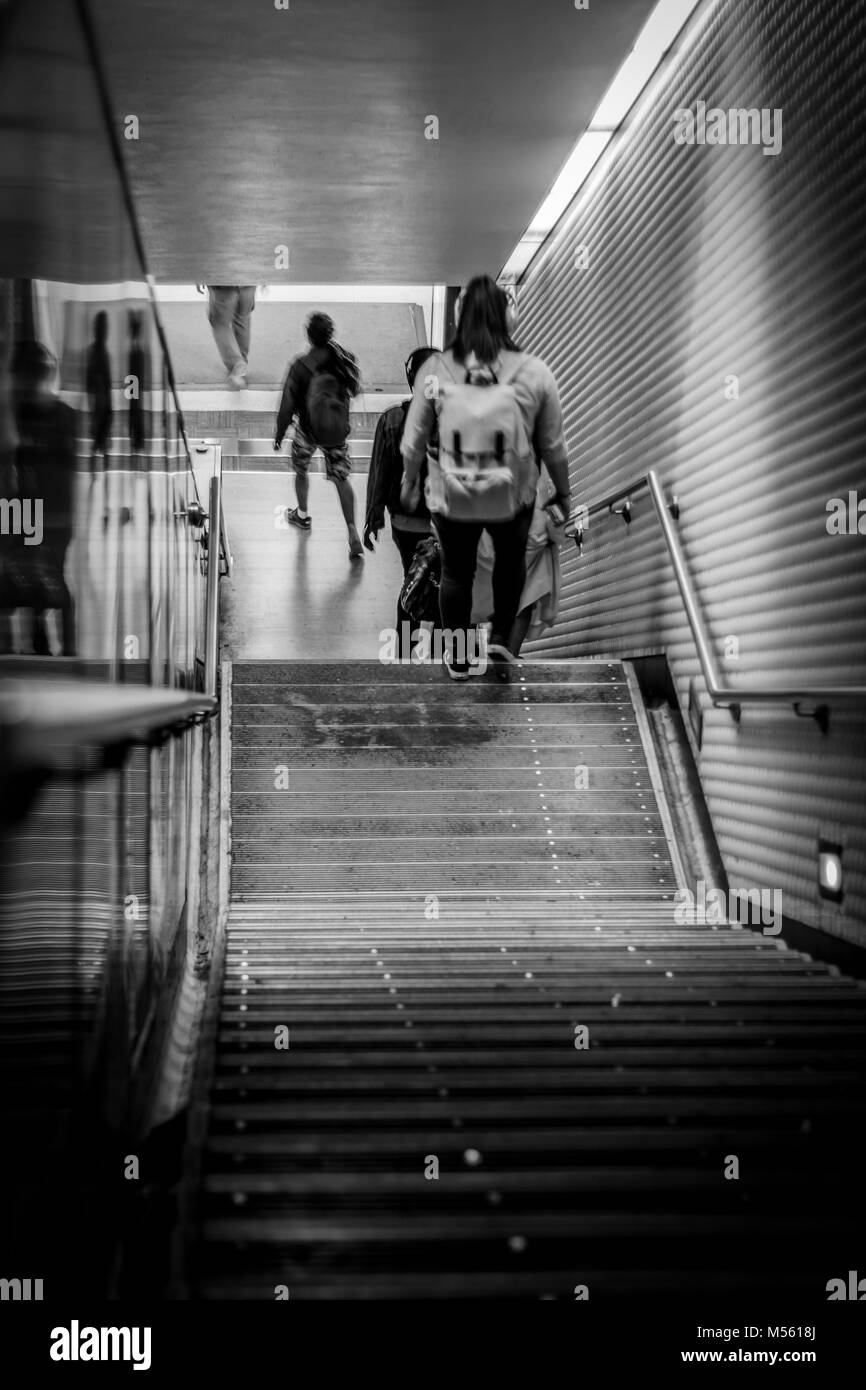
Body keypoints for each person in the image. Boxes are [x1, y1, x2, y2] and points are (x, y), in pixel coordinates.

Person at [400, 274, 572, 680]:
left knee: (456, 574)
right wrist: (563, 493)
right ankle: (498, 641)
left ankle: (458, 661)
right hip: (512, 494)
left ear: (460, 319)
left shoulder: (436, 369)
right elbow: (554, 446)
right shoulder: (534, 372)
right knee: (511, 564)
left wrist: (409, 481)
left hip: (452, 494)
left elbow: (413, 440)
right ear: (507, 318)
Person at [364, 345, 437, 655]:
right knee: (444, 580)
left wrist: (373, 516)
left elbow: (380, 471)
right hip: (444, 525)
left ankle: (406, 648)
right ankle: (446, 651)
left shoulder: (393, 419)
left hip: (405, 524)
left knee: (414, 576)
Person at [273, 312, 364, 559]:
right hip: (335, 433)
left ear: (309, 336)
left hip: (308, 431)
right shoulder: (342, 359)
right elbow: (355, 389)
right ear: (330, 334)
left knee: (301, 470)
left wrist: (280, 433)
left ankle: (302, 515)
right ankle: (352, 530)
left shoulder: (301, 366)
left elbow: (288, 404)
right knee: (341, 478)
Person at [11, 341, 77, 656]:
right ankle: (52, 646)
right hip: (32, 510)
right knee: (33, 576)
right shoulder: (56, 416)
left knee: (51, 575)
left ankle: (63, 648)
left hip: (45, 511)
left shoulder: (58, 417)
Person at [472, 466, 563, 656]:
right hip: (529, 528)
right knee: (525, 595)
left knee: (486, 592)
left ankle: (480, 651)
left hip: (490, 524)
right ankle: (508, 652)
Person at [199, 285, 257, 389]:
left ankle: (237, 363)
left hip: (223, 280)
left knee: (219, 323)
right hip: (249, 279)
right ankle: (241, 364)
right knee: (242, 318)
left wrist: (200, 276)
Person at [85, 309, 112, 468]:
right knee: (100, 427)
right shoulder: (97, 351)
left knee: (102, 427)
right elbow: (93, 379)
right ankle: (99, 461)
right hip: (100, 398)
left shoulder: (99, 350)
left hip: (101, 397)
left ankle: (100, 461)